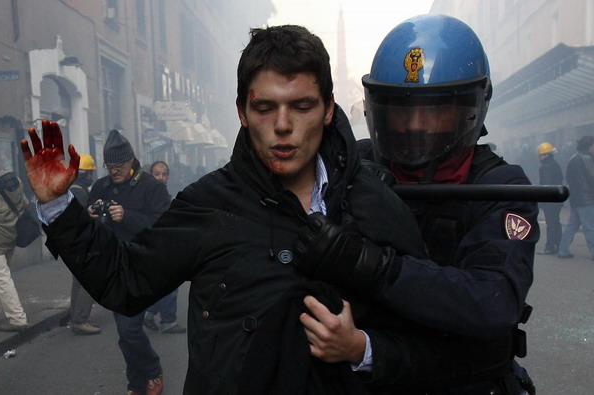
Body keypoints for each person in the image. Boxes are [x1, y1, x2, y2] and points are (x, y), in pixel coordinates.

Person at [21, 25, 434, 394]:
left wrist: (362, 349)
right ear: (242, 112)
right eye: (265, 107)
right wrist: (58, 205)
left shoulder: (373, 202)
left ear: (328, 109)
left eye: (302, 106)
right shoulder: (209, 203)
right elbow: (126, 281)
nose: (283, 125)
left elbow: (431, 343)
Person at [293, 14, 538, 394]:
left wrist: (375, 268)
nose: (415, 127)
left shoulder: (500, 187)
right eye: (401, 111)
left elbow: (492, 302)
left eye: (435, 111)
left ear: (472, 107)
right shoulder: (349, 166)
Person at [87, 131, 169, 394]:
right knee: (125, 331)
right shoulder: (100, 187)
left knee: (130, 328)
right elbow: (89, 226)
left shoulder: (151, 187)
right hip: (112, 268)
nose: (114, 172)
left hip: (141, 267)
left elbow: (162, 226)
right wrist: (90, 216)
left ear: (131, 160)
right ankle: (137, 383)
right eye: (109, 167)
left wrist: (127, 216)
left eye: (118, 167)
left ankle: (152, 369)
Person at [143, 161, 186, 334]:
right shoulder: (149, 194)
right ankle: (167, 320)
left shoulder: (162, 193)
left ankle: (151, 313)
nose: (161, 177)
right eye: (157, 173)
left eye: (164, 173)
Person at [0, 150, 29, 332]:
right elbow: (23, 203)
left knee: (1, 278)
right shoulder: (12, 178)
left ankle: (17, 318)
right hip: (11, 233)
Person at [68, 154, 102, 335]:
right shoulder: (79, 192)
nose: (91, 176)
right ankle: (81, 320)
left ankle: (75, 315)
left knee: (78, 281)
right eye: (89, 173)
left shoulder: (68, 189)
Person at [557, 135, 594, 259]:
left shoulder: (573, 158)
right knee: (589, 226)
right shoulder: (587, 159)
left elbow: (568, 178)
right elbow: (592, 178)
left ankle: (563, 249)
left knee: (572, 225)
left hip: (576, 197)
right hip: (587, 198)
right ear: (589, 146)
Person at [537, 142, 564, 255]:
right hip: (557, 199)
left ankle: (550, 246)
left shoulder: (546, 167)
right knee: (555, 223)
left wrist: (542, 200)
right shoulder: (555, 164)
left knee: (551, 224)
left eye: (541, 155)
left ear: (546, 155)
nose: (539, 157)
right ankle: (558, 245)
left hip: (550, 200)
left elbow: (546, 185)